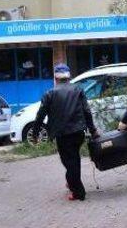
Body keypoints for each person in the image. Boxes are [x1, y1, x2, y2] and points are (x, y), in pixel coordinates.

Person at [32, 64, 99, 201]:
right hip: (78, 132)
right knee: (73, 160)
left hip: (62, 134)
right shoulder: (78, 90)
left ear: (56, 78)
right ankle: (72, 182)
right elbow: (87, 112)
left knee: (70, 162)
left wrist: (35, 133)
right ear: (69, 77)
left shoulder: (50, 94)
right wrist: (93, 130)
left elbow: (40, 115)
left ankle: (78, 192)